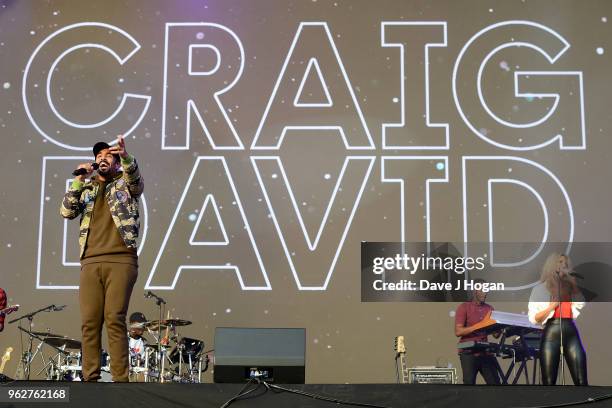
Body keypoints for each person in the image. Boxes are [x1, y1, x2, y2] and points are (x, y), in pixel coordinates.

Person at [60, 135, 143, 382]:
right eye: (98, 156)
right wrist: (78, 179)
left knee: (114, 318)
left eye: (108, 155)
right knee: (89, 322)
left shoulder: (125, 183)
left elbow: (136, 181)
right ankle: (90, 379)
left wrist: (126, 157)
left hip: (121, 260)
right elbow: (66, 211)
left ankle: (120, 381)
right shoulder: (87, 187)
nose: (102, 158)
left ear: (116, 163)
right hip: (90, 261)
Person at [528, 253, 587, 385]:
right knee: (549, 381)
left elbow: (581, 304)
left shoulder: (571, 288)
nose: (564, 265)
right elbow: (534, 318)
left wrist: (574, 284)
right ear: (552, 265)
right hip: (551, 333)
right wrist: (551, 307)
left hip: (570, 330)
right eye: (560, 262)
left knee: (581, 380)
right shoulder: (540, 289)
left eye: (566, 263)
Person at [454, 280, 501, 385]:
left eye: (487, 289)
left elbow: (496, 335)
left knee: (495, 383)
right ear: (475, 290)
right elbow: (458, 331)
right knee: (469, 383)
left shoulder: (490, 308)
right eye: (483, 290)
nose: (486, 293)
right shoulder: (464, 307)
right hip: (468, 352)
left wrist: (501, 327)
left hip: (485, 352)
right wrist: (478, 326)